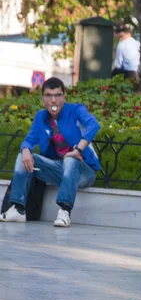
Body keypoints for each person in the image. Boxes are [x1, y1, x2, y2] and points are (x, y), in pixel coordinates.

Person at [0, 77, 101, 228]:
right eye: (48, 95)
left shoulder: (75, 110)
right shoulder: (41, 117)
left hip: (83, 171)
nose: (53, 100)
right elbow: (29, 140)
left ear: (64, 96)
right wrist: (26, 150)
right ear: (43, 98)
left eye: (57, 95)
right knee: (24, 154)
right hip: (57, 169)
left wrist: (78, 149)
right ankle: (18, 209)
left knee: (71, 160)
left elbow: (94, 125)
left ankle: (64, 211)